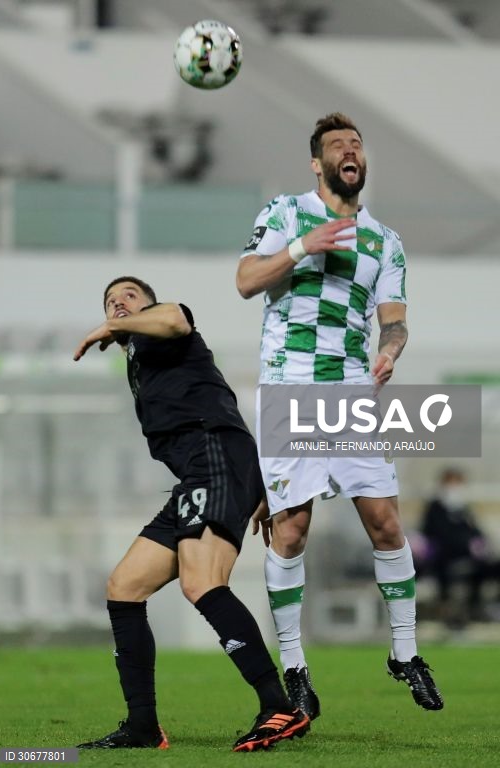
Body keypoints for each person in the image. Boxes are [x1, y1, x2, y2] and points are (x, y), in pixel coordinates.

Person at [236, 112, 444, 716]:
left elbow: (395, 320)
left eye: (356, 144)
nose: (350, 151)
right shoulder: (285, 213)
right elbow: (246, 280)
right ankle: (296, 669)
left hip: (353, 392)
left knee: (385, 522)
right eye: (337, 145)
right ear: (317, 162)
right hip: (289, 389)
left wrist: (390, 350)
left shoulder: (385, 240)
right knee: (292, 529)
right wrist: (303, 247)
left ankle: (404, 651)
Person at [72, 276, 310, 752]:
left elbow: (176, 317)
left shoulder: (168, 327)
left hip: (214, 459)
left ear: (148, 307)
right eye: (109, 300)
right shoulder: (140, 359)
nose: (118, 302)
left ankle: (278, 706)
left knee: (201, 582)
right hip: (197, 474)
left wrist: (111, 324)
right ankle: (142, 726)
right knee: (124, 588)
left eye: (129, 297)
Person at [420, 467, 500, 625]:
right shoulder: (435, 508)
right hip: (444, 558)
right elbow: (436, 533)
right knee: (444, 570)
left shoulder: (463, 510)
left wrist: (479, 544)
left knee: (493, 566)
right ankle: (447, 611)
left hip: (470, 558)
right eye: (453, 483)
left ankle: (481, 607)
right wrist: (465, 543)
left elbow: (477, 532)